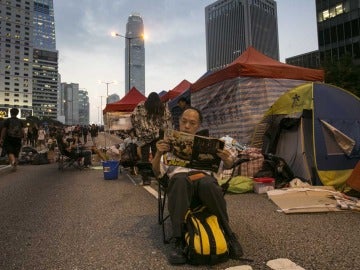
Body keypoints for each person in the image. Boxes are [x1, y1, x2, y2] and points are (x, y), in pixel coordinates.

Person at [151, 107, 243, 265]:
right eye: (184, 121)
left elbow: (226, 167)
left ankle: (228, 233)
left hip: (202, 178)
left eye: (192, 123)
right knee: (179, 180)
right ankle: (179, 240)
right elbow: (156, 171)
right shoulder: (168, 144)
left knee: (208, 183)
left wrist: (227, 160)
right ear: (178, 122)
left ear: (198, 126)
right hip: (179, 180)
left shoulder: (207, 144)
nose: (187, 126)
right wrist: (159, 153)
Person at [131, 92, 172, 185]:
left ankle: (145, 179)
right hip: (157, 135)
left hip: (143, 135)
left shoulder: (141, 105)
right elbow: (167, 120)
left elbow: (133, 117)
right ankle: (158, 177)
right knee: (157, 156)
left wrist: (138, 130)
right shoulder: (161, 107)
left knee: (144, 158)